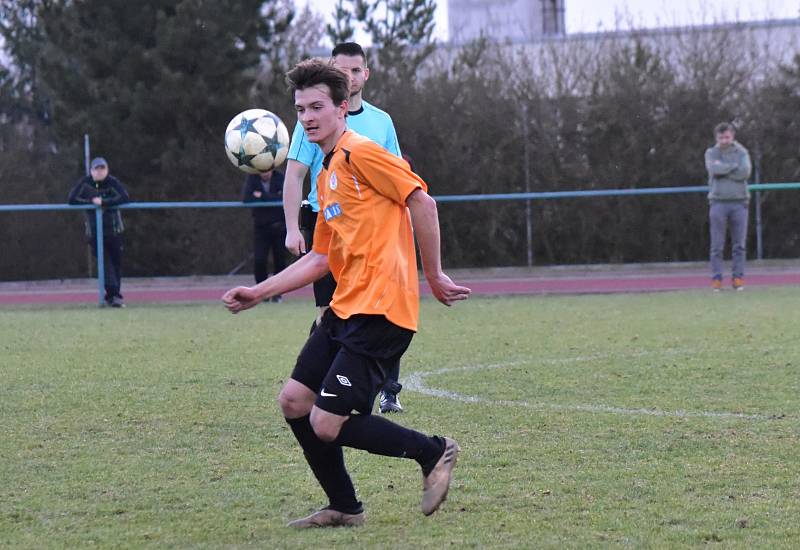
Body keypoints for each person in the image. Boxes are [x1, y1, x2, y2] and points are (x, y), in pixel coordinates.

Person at [222, 58, 471, 527]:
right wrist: (259, 292)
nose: (308, 117)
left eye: (317, 106)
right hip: (344, 308)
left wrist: (433, 274)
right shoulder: (327, 174)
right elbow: (320, 260)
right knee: (294, 402)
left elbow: (423, 201)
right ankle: (344, 507)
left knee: (325, 422)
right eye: (300, 109)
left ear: (341, 109)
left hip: (382, 311)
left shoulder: (362, 153)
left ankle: (433, 451)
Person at [283, 41, 407, 414]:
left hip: (369, 234)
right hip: (325, 224)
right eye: (342, 69)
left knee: (377, 310)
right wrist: (292, 227)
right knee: (331, 313)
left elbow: (403, 182)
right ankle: (326, 381)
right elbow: (295, 174)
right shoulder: (310, 120)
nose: (349, 77)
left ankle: (388, 388)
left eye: (356, 70)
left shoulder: (379, 123)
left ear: (365, 74)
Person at [68, 157, 130, 307]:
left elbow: (124, 197)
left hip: (114, 231)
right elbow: (71, 199)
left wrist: (104, 203)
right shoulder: (85, 182)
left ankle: (112, 296)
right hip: (95, 232)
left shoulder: (112, 182)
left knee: (115, 263)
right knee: (105, 262)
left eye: (102, 168)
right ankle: (115, 296)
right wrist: (91, 203)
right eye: (97, 169)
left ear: (107, 170)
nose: (100, 171)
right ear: (91, 171)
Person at [705, 122, 752, 291]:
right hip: (718, 203)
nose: (724, 140)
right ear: (716, 137)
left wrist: (724, 169)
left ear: (732, 136)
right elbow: (713, 169)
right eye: (721, 137)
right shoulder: (711, 153)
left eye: (727, 137)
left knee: (739, 245)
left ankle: (738, 279)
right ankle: (717, 279)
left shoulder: (742, 152)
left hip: (739, 203)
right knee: (717, 245)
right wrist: (733, 168)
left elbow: (745, 172)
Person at [242, 168, 287, 302]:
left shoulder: (280, 177)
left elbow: (284, 198)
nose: (265, 173)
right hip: (261, 228)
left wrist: (261, 196)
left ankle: (278, 293)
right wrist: (272, 198)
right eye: (262, 170)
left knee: (279, 261)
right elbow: (246, 198)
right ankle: (261, 292)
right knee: (260, 260)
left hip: (279, 226)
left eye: (267, 170)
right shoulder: (252, 178)